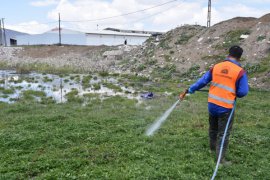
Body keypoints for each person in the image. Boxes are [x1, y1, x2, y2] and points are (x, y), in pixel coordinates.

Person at [180, 45, 249, 164]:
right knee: (223, 133)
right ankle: (220, 160)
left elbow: (202, 81)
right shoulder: (240, 72)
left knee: (213, 128)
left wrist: (190, 89)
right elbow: (243, 92)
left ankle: (212, 148)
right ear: (239, 58)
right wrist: (234, 91)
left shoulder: (216, 67)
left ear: (228, 54)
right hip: (225, 108)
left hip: (212, 104)